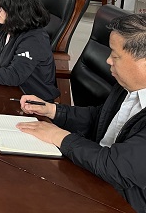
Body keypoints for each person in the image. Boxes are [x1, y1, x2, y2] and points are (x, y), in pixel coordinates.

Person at [16, 14, 146, 211]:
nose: (108, 60)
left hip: (123, 201)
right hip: (95, 174)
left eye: (115, 56)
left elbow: (117, 167)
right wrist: (53, 110)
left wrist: (59, 136)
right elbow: (99, 118)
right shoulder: (127, 87)